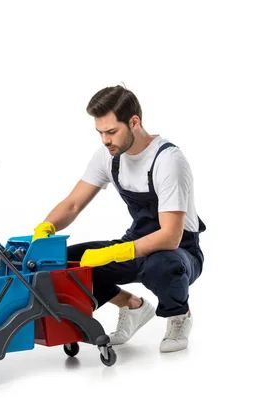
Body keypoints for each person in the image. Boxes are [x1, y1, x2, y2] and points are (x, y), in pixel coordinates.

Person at [32, 85, 205, 352]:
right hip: (136, 242)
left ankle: (179, 316)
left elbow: (171, 236)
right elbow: (73, 203)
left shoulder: (168, 160)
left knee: (164, 265)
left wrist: (115, 253)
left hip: (180, 250)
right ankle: (131, 305)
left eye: (111, 132)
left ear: (134, 122)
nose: (105, 140)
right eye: (100, 132)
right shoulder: (108, 156)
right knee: (66, 264)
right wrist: (46, 228)